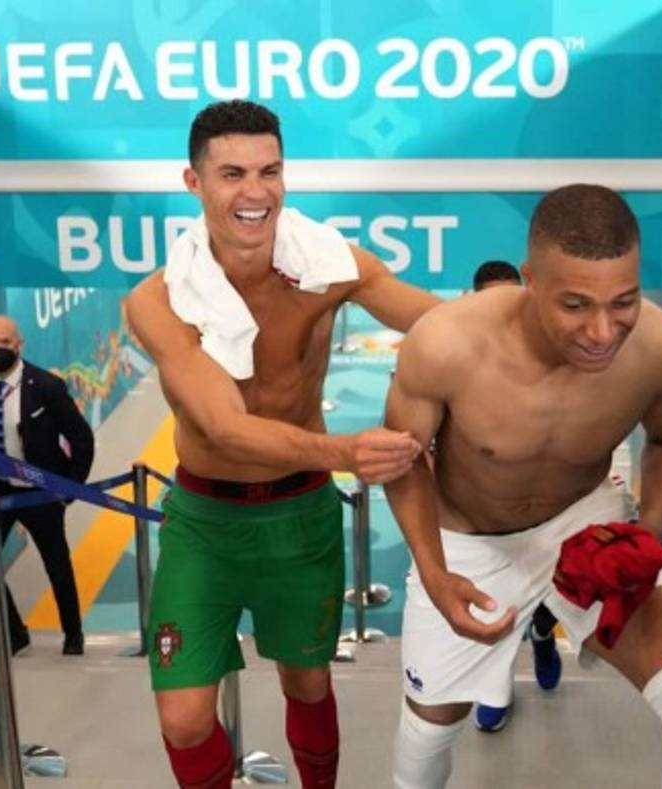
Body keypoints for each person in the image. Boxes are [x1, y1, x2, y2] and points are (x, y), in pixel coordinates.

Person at [124, 99, 439, 789]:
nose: (255, 192)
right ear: (193, 182)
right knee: (183, 718)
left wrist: (523, 319)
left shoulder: (329, 266)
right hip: (204, 523)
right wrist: (349, 452)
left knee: (307, 681)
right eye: (232, 173)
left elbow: (434, 321)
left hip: (299, 518)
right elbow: (225, 426)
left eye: (270, 171)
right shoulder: (157, 300)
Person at [385, 184, 662, 789]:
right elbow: (404, 462)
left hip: (586, 523)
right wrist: (435, 571)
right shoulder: (446, 345)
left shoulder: (659, 345)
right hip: (470, 541)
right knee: (429, 732)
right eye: (575, 305)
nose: (603, 332)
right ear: (531, 279)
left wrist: (647, 533)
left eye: (623, 301)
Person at [466, 260, 563, 735]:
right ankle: (495, 682)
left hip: (547, 511)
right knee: (495, 603)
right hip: (485, 514)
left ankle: (543, 635)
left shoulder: (554, 356)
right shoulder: (454, 356)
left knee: (543, 600)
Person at [0, 315, 95, 657]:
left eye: (4, 343)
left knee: (57, 566)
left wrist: (68, 491)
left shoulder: (47, 386)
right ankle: (15, 632)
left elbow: (81, 438)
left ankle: (73, 636)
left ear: (19, 344)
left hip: (42, 493)